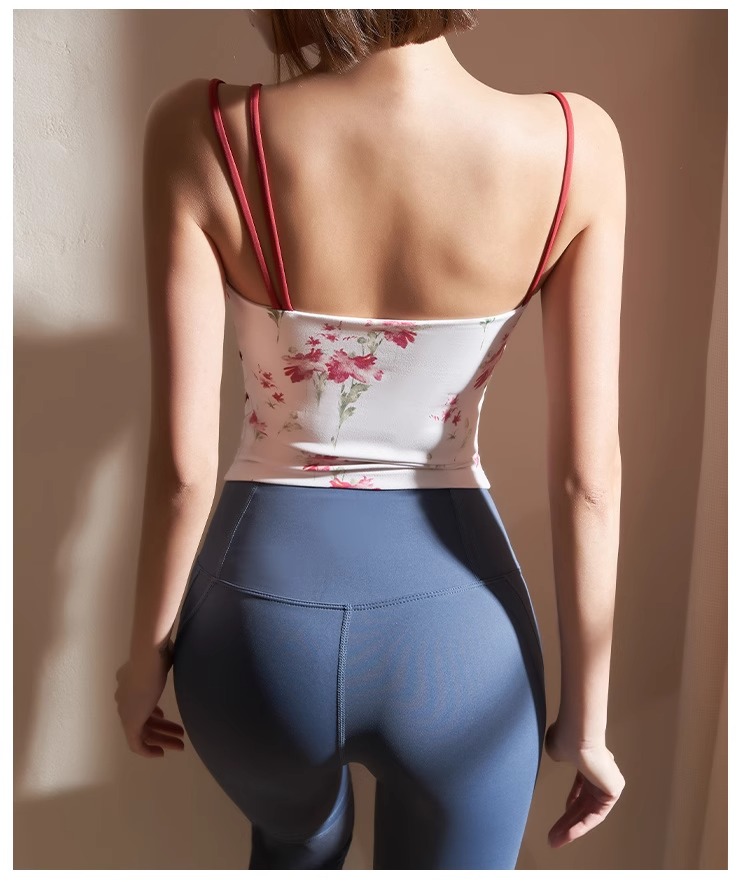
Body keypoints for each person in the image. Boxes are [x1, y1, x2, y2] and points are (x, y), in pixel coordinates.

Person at [114, 8, 626, 870]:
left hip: (255, 634)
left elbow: (181, 475)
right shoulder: (577, 146)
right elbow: (589, 482)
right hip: (460, 646)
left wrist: (142, 668)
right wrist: (589, 724)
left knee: (294, 848)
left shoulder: (200, 128)